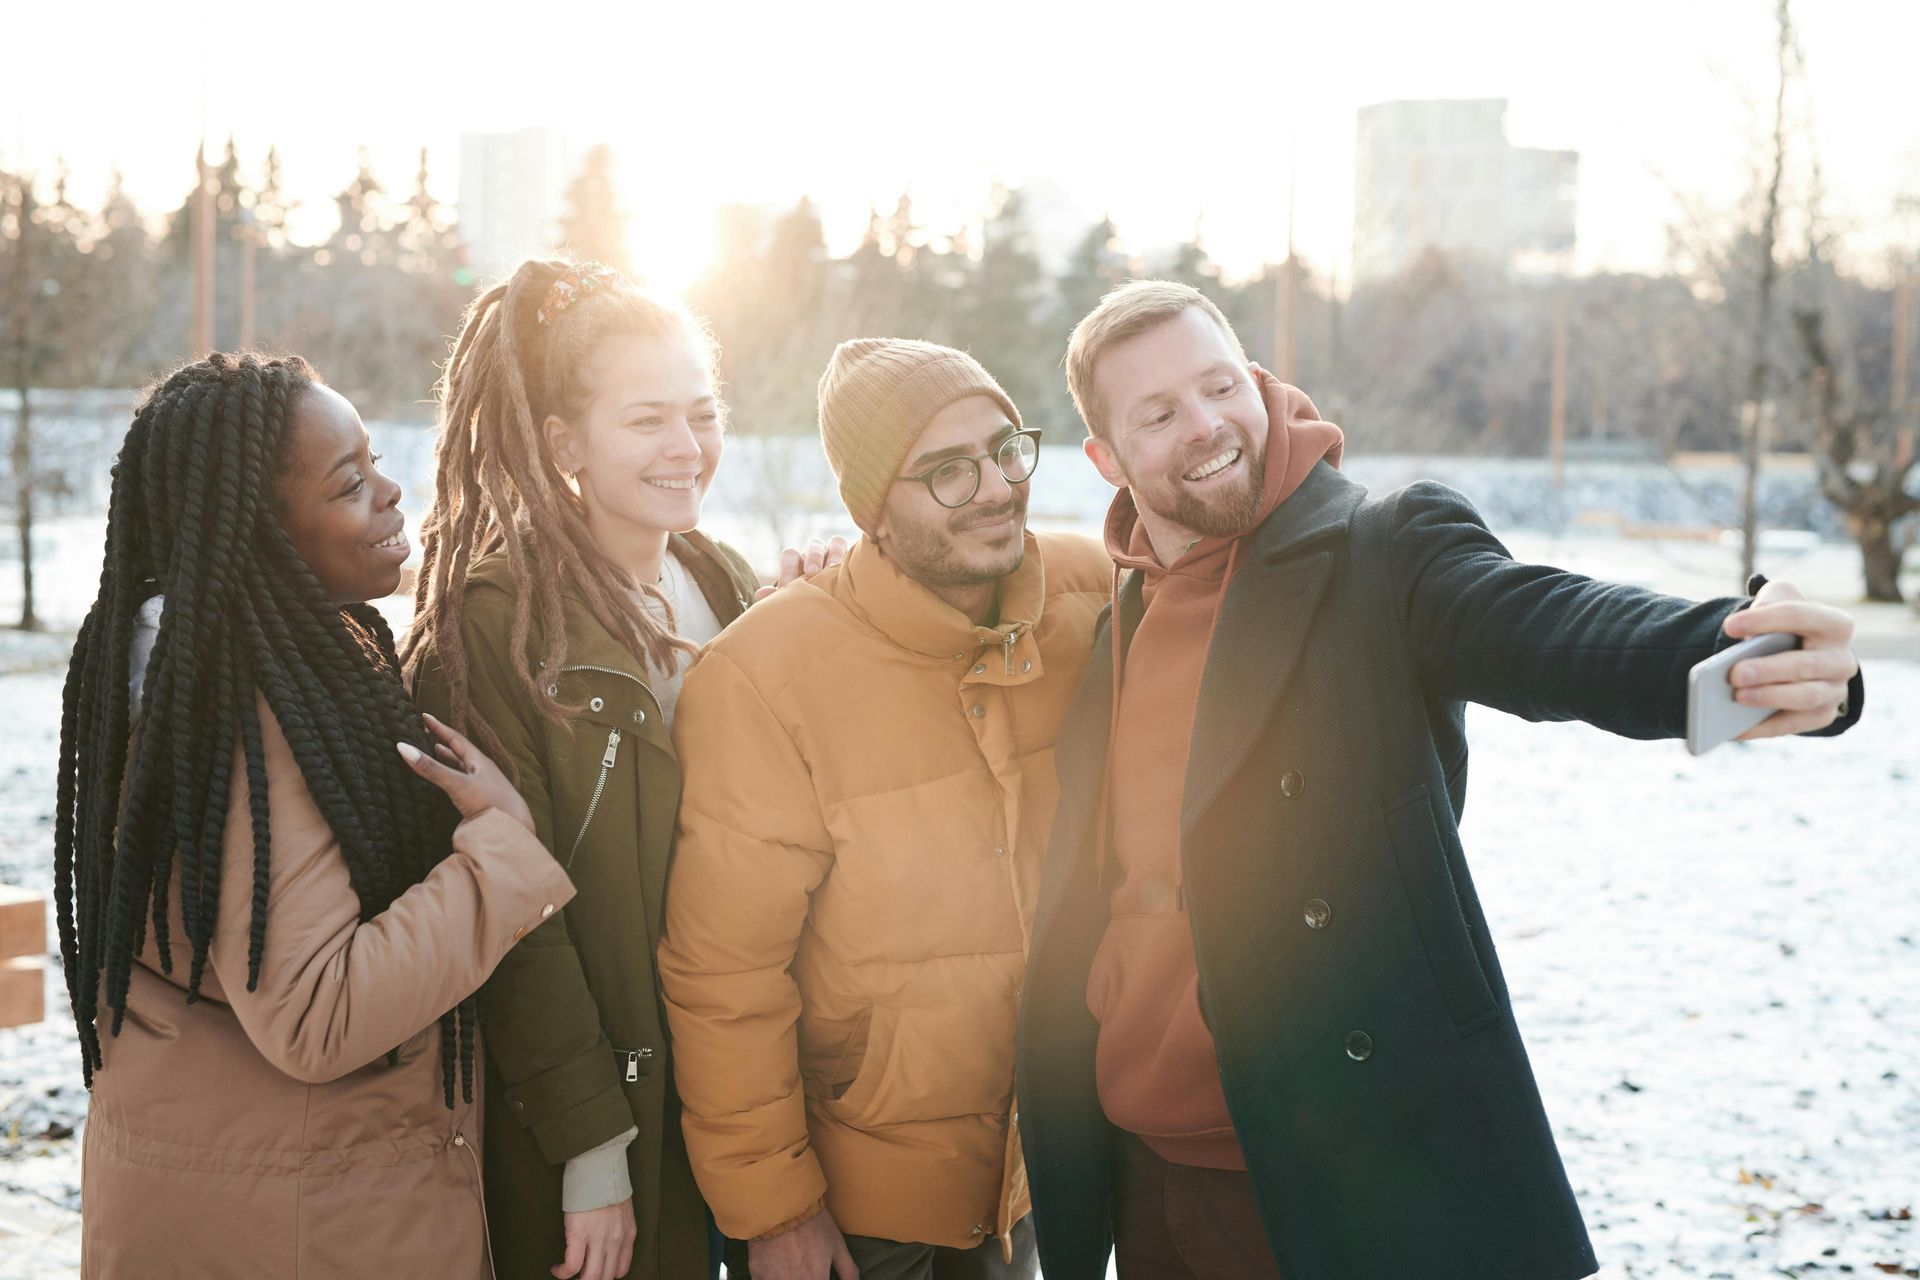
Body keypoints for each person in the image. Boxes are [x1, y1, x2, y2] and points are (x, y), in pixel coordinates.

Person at [1015, 280, 1865, 1280]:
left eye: (1217, 386)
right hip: (1152, 1182)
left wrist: (1740, 655)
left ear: (1257, 380)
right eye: (1158, 414)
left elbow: (1548, 625)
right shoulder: (1115, 617)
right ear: (1109, 461)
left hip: (1346, 1170)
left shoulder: (1382, 550)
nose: (1205, 426)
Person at [56, 351, 573, 1279]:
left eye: (375, 462)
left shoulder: (205, 679)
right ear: (259, 534)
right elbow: (315, 1015)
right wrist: (502, 853)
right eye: (350, 483)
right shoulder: (250, 711)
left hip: (250, 1198)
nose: (389, 492)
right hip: (306, 1228)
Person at [657, 339, 1111, 1280]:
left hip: (1041, 1180)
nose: (994, 487)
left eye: (1004, 450)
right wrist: (776, 1211)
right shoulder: (765, 676)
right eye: (946, 472)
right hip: (859, 1214)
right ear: (872, 510)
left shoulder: (1094, 592)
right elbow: (724, 978)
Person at [405, 261, 764, 1280]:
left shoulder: (722, 581)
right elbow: (511, 913)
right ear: (563, 441)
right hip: (594, 1113)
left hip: (734, 1083)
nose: (687, 448)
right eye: (647, 419)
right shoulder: (491, 629)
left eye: (701, 413)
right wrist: (591, 1149)